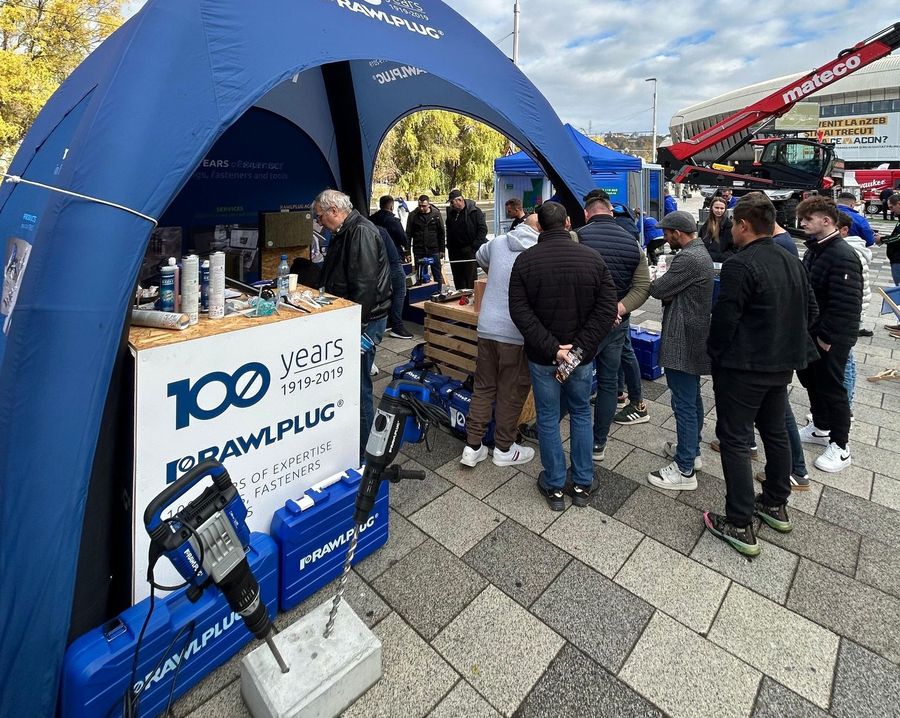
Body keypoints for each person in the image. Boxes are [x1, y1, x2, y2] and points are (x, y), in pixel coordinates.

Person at [704, 192, 819, 556]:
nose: (731, 231)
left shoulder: (740, 264)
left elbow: (725, 320)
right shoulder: (791, 258)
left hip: (744, 367)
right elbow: (811, 311)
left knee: (735, 439)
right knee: (774, 432)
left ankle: (739, 522)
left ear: (743, 225)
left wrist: (715, 354)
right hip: (781, 364)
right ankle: (774, 502)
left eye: (733, 225)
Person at [508, 202, 618, 510]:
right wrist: (577, 349)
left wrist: (553, 349)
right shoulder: (593, 258)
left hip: (544, 357)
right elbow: (607, 309)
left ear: (539, 227)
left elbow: (520, 312)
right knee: (581, 412)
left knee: (547, 417)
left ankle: (555, 484)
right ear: (568, 222)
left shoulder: (525, 261)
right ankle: (582, 483)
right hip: (579, 358)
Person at [314, 189, 392, 457]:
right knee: (353, 384)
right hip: (356, 318)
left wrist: (355, 328)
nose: (319, 222)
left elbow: (364, 285)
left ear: (334, 211)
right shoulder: (345, 230)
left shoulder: (360, 232)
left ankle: (367, 452)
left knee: (358, 387)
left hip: (363, 322)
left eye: (320, 216)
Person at [460, 214, 540, 469]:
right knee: (511, 391)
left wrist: (494, 271)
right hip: (516, 332)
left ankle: (472, 446)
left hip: (487, 326)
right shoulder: (539, 250)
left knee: (483, 388)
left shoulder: (498, 242)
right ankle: (504, 448)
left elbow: (480, 256)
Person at [576, 190, 650, 459]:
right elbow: (643, 287)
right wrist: (617, 309)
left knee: (574, 375)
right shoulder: (633, 243)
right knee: (608, 382)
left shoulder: (578, 237)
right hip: (616, 325)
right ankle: (599, 442)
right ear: (611, 212)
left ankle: (552, 428)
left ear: (587, 214)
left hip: (584, 325)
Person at [646, 211, 714, 490]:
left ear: (678, 233)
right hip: (694, 334)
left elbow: (658, 289)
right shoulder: (699, 253)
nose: (665, 238)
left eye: (667, 233)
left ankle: (684, 469)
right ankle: (691, 451)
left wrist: (657, 282)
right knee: (692, 398)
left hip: (683, 338)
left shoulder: (688, 258)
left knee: (683, 403)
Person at [795, 195, 863, 473]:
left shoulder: (842, 255)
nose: (802, 223)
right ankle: (821, 427)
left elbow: (845, 304)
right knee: (812, 381)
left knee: (833, 388)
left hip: (830, 337)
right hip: (813, 331)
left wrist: (826, 337)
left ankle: (841, 446)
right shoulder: (816, 249)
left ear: (826, 221)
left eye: (807, 219)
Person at [837, 211, 872, 402]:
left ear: (844, 231)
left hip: (848, 316)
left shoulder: (849, 253)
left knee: (845, 361)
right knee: (845, 360)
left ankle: (847, 404)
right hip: (852, 314)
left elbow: (849, 292)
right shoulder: (851, 249)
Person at [445, 189, 487, 289]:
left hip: (469, 250)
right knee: (458, 278)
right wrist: (448, 246)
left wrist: (474, 247)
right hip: (454, 251)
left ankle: (472, 296)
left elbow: (483, 230)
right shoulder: (451, 213)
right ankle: (460, 296)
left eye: (452, 202)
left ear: (460, 200)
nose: (451, 205)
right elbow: (449, 230)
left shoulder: (475, 212)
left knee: (470, 278)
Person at [406, 194, 445, 291]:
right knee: (419, 275)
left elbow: (441, 233)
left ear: (429, 205)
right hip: (419, 249)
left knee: (437, 274)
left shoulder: (436, 214)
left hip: (434, 249)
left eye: (424, 206)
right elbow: (408, 234)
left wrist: (442, 250)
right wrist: (407, 252)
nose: (421, 208)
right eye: (419, 206)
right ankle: (421, 293)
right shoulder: (413, 215)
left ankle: (438, 292)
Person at [370, 195, 409, 259]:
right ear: (392, 207)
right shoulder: (394, 222)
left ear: (380, 205)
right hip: (393, 254)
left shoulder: (371, 220)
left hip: (375, 253)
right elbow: (403, 238)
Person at [699, 196, 734, 262]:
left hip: (721, 261)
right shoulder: (706, 224)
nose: (719, 211)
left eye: (722, 208)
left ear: (725, 209)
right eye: (716, 208)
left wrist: (719, 257)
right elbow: (700, 241)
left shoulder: (729, 225)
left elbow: (733, 248)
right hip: (706, 260)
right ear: (712, 208)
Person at [877, 193, 900, 289]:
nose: (891, 210)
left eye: (891, 207)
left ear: (898, 203)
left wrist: (882, 239)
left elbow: (898, 237)